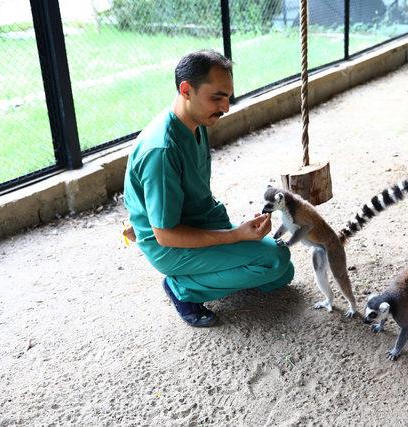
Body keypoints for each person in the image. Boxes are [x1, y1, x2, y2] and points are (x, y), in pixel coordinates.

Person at [122, 50, 294, 327]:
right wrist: (233, 236)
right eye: (217, 97)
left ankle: (215, 275)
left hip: (202, 220)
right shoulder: (162, 150)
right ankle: (182, 289)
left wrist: (239, 232)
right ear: (186, 90)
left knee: (282, 273)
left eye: (227, 97)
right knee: (273, 262)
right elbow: (165, 235)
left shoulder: (195, 123)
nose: (226, 107)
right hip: (171, 245)